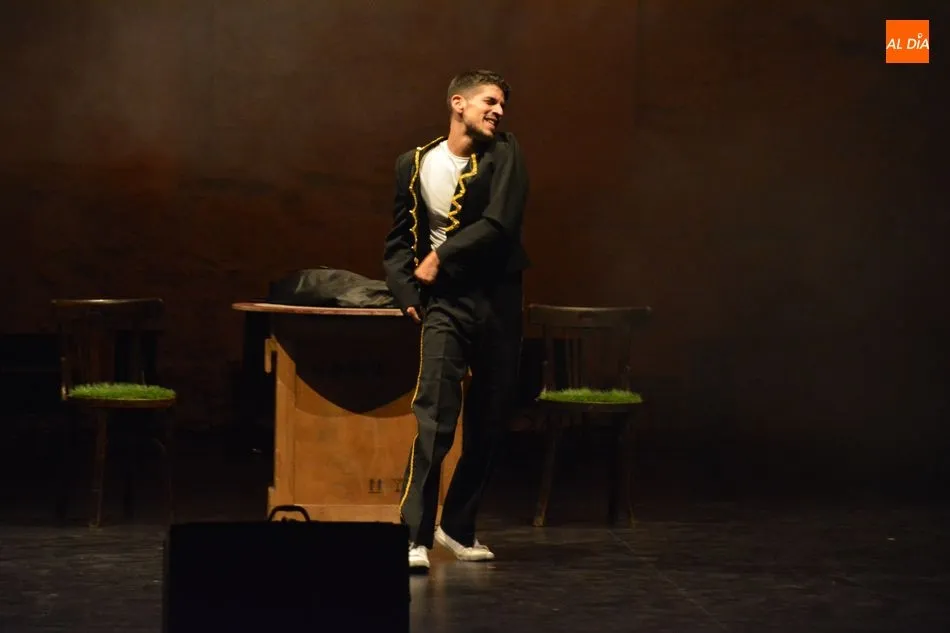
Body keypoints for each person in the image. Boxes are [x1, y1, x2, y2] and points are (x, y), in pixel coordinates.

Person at [382, 69, 529, 572]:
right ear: (458, 103)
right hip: (444, 303)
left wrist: (441, 257)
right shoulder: (414, 163)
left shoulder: (506, 153)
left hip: (498, 300)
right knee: (434, 417)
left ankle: (458, 527)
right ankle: (414, 535)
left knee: (489, 420)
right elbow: (398, 241)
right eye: (490, 101)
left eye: (502, 104)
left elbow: (499, 222)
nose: (499, 111)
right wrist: (407, 292)